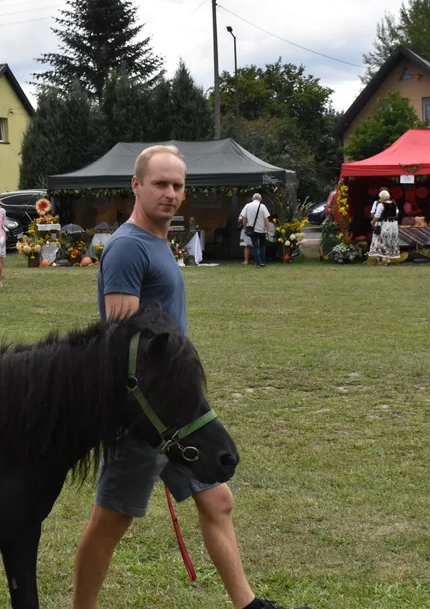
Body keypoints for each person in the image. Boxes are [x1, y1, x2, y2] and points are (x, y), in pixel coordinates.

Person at [73, 145, 300, 609]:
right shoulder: (127, 247)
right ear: (135, 185)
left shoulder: (157, 241)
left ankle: (248, 604)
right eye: (160, 184)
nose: (171, 194)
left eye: (178, 185)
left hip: (177, 410)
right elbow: (123, 342)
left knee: (218, 502)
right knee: (109, 524)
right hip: (144, 417)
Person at [367, 190, 400, 264]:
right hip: (393, 225)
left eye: (380, 197)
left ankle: (381, 260)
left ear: (383, 197)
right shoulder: (394, 204)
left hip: (384, 225)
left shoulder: (381, 205)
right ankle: (389, 259)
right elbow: (397, 213)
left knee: (381, 241)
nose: (379, 199)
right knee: (391, 240)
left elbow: (377, 216)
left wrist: (373, 222)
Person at [239, 192, 270, 268]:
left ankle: (258, 263)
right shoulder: (262, 206)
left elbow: (244, 219)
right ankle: (262, 262)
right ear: (260, 199)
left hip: (252, 230)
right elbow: (266, 219)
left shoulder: (247, 206)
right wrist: (267, 230)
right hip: (261, 230)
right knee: (262, 246)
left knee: (255, 246)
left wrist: (245, 228)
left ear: (253, 199)